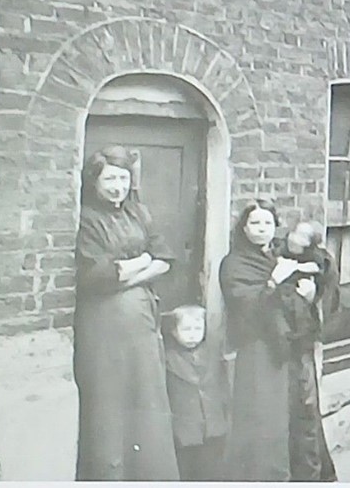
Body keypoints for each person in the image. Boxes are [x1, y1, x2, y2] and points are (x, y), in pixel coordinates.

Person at [73, 145, 180, 480]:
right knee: (110, 401)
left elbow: (165, 258)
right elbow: (97, 276)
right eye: (110, 179)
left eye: (123, 178)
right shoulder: (86, 218)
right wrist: (141, 261)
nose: (117, 186)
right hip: (104, 323)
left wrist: (133, 270)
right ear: (94, 181)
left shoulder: (138, 213)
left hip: (142, 320)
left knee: (146, 395)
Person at [219, 199, 322, 481]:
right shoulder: (235, 263)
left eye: (267, 223)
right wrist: (274, 281)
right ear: (243, 228)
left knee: (301, 417)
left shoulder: (281, 256)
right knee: (267, 424)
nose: (262, 229)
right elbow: (245, 306)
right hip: (260, 350)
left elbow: (302, 297)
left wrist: (309, 294)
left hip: (292, 347)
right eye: (254, 223)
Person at [276, 221, 340, 481]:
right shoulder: (277, 251)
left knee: (305, 407)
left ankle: (314, 474)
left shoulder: (320, 260)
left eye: (304, 237)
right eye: (295, 232)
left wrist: (312, 294)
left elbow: (328, 295)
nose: (296, 239)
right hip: (279, 338)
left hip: (301, 342)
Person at [163, 304, 230, 481]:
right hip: (184, 430)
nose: (192, 334)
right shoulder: (167, 358)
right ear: (174, 331)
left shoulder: (213, 354)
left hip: (213, 427)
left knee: (213, 470)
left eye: (198, 328)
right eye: (186, 329)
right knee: (187, 470)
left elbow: (222, 388)